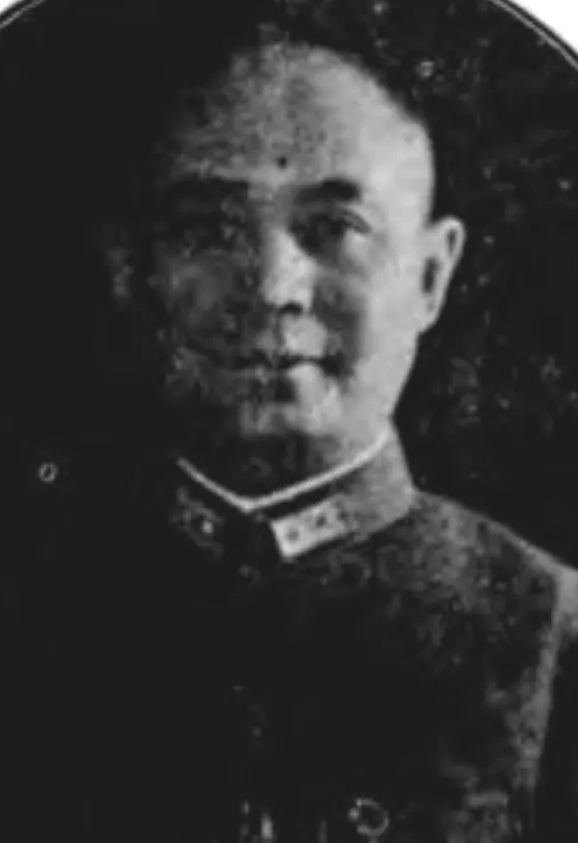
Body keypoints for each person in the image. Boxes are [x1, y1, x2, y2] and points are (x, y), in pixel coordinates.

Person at [12, 6, 578, 843]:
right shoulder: (28, 611)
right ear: (131, 272)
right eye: (208, 227)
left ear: (430, 275)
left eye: (334, 229)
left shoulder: (552, 638)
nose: (274, 286)